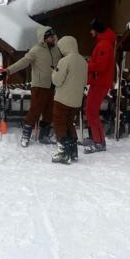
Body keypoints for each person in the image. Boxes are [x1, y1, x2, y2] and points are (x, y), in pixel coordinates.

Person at [0, 26, 62, 147]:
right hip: (39, 86)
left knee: (49, 112)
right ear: (43, 38)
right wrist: (8, 70)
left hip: (53, 86)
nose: (52, 39)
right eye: (49, 37)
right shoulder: (36, 50)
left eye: (53, 36)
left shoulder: (57, 50)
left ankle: (44, 135)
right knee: (35, 111)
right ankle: (26, 135)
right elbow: (23, 62)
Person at [51, 36, 88, 164]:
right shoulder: (83, 61)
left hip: (62, 99)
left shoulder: (64, 61)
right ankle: (73, 151)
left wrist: (54, 72)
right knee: (69, 123)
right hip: (76, 101)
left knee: (59, 123)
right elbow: (84, 81)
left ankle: (63, 153)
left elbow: (57, 81)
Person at [84, 19, 116, 154]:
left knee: (91, 112)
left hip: (100, 83)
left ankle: (99, 142)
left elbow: (101, 66)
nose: (90, 32)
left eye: (92, 29)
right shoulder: (104, 43)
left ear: (97, 30)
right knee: (91, 112)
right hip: (98, 82)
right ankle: (98, 139)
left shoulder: (104, 45)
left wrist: (86, 65)